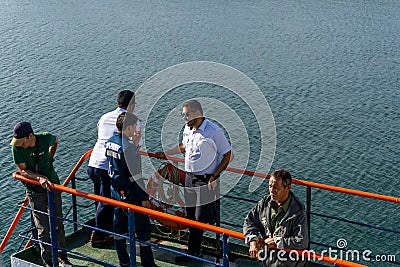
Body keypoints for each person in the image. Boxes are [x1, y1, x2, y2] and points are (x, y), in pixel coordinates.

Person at [157, 99, 232, 260]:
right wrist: (167, 153)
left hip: (205, 180)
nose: (184, 118)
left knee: (199, 219)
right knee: (191, 217)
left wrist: (214, 175)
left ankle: (193, 253)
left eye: (186, 114)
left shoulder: (213, 131)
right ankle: (193, 250)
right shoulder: (188, 128)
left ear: (197, 113)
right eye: (183, 114)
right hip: (189, 178)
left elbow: (227, 155)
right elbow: (184, 146)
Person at [10, 122, 72, 267]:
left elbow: (55, 140)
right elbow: (22, 171)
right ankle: (48, 260)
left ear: (31, 136)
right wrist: (39, 178)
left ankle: (63, 256)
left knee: (58, 222)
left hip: (53, 186)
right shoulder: (17, 149)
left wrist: (50, 158)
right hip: (35, 191)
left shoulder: (44, 139)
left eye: (22, 141)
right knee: (43, 227)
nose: (19, 145)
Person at [87, 90, 141, 247]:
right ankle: (98, 234)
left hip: (93, 163)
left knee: (100, 199)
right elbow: (135, 147)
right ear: (131, 105)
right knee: (106, 201)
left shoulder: (104, 117)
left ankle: (105, 231)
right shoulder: (132, 121)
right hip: (109, 164)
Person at [105, 112, 156, 267]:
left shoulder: (110, 142)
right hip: (129, 194)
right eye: (135, 126)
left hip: (115, 190)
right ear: (128, 127)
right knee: (142, 229)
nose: (136, 129)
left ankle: (123, 261)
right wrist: (144, 198)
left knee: (119, 227)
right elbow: (135, 176)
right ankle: (148, 263)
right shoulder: (128, 148)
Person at [243, 169, 309, 267]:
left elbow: (302, 241)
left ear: (287, 188)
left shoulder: (298, 212)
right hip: (267, 260)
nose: (271, 191)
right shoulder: (264, 203)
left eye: (276, 188)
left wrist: (277, 241)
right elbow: (249, 221)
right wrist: (252, 240)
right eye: (270, 186)